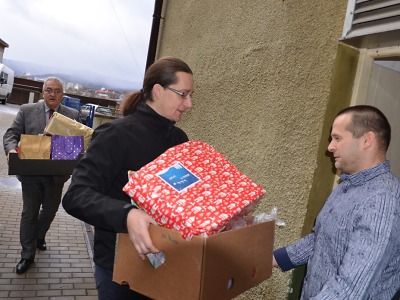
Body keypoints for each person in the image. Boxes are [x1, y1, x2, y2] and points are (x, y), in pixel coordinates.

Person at [62, 56, 194, 300]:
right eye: (183, 94)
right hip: (119, 271)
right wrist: (127, 214)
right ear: (157, 90)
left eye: (191, 95)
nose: (189, 103)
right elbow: (76, 196)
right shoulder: (115, 135)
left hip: (167, 263)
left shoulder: (180, 140)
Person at [273, 105, 400, 299]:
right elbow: (320, 239)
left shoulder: (383, 200)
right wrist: (273, 259)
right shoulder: (346, 185)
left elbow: (351, 287)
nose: (330, 147)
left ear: (367, 140)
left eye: (337, 138)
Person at [3, 77, 80, 274]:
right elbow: (11, 135)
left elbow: (78, 144)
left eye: (57, 91)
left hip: (56, 176)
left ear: (62, 94)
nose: (52, 94)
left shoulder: (71, 115)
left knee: (50, 211)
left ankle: (38, 236)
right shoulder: (27, 110)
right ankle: (27, 255)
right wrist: (11, 150)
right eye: (49, 90)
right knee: (29, 213)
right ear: (42, 92)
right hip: (30, 174)